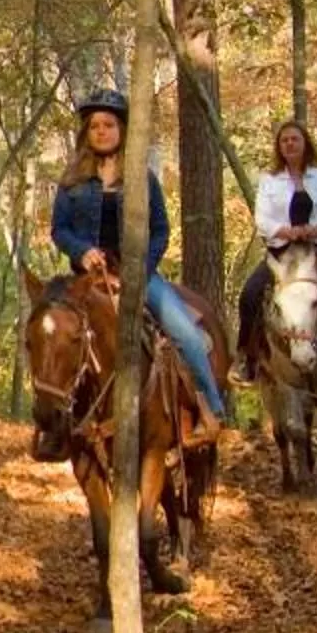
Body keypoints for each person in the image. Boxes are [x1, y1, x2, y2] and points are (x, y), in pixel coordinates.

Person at [47, 90, 227, 437]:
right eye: (95, 126)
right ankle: (51, 424)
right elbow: (60, 229)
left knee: (186, 332)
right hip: (87, 279)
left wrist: (140, 269)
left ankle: (213, 411)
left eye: (109, 125)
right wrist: (81, 252)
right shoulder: (72, 182)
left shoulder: (143, 179)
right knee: (50, 333)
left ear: (122, 130)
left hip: (138, 275)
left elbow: (161, 229)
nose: (101, 131)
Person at [236, 119, 317, 382]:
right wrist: (285, 230)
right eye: (284, 140)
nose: (289, 144)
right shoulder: (270, 180)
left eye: (295, 139)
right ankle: (247, 358)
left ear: (305, 143)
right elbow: (262, 218)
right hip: (283, 252)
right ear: (279, 147)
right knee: (250, 294)